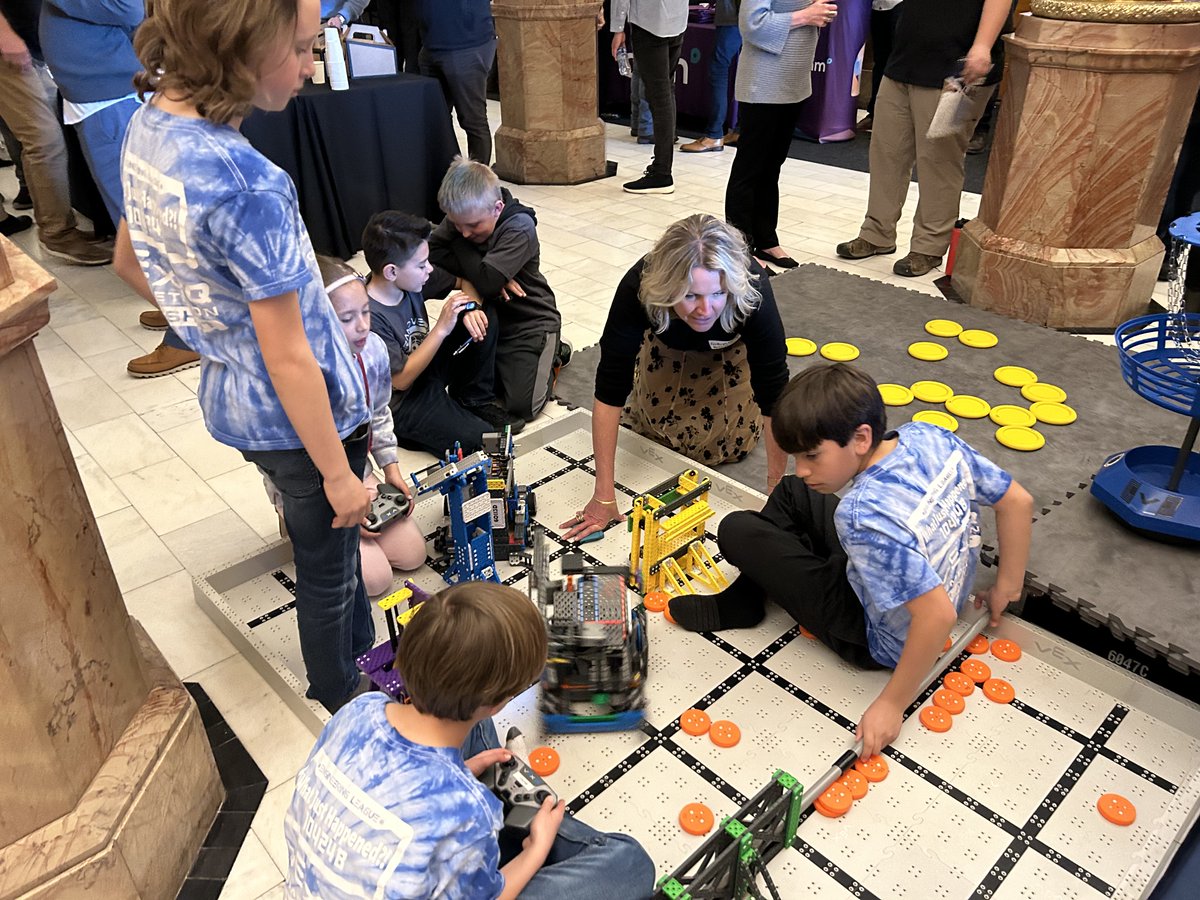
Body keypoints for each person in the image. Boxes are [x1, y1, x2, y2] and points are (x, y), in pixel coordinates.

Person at [114, 0, 375, 713]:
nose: (311, 67)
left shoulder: (147, 125)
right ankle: (342, 695)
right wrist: (339, 476)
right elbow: (289, 358)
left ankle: (361, 662)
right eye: (303, 48)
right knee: (328, 570)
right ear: (242, 48)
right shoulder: (248, 184)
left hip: (236, 404)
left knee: (327, 550)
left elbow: (129, 260)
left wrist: (214, 331)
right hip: (304, 424)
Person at [669, 363, 1033, 759]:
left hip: (876, 635)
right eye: (797, 456)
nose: (802, 469)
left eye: (812, 455)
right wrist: (1007, 587)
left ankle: (747, 598)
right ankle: (748, 597)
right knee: (792, 491)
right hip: (936, 588)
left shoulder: (862, 516)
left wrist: (891, 705)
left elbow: (937, 616)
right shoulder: (927, 436)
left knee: (737, 528)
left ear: (860, 438)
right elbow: (1017, 501)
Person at [283, 580, 657, 899]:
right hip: (464, 828)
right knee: (630, 863)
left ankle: (516, 803)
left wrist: (456, 773)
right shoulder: (467, 810)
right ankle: (532, 819)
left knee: (476, 734)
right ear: (500, 702)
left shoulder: (360, 708)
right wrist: (536, 849)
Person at [561, 214, 789, 542]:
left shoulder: (753, 288)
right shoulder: (639, 285)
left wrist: (775, 494)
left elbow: (774, 393)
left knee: (720, 445)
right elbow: (610, 385)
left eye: (717, 294)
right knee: (653, 430)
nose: (705, 310)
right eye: (691, 295)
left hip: (728, 351)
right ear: (667, 287)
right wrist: (603, 495)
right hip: (667, 342)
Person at [38, 0, 201, 377]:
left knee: (145, 225)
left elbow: (126, 7)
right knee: (140, 220)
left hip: (110, 96)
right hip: (100, 95)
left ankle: (188, 335)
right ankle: (180, 311)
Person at [836, 0, 1011, 277]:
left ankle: (929, 246)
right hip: (904, 59)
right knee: (887, 153)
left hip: (958, 69)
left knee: (939, 160)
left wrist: (982, 45)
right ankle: (876, 233)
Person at [362, 208, 518, 452]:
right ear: (391, 271)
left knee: (482, 312)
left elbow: (465, 281)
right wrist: (442, 327)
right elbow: (401, 381)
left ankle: (473, 398)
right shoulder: (368, 317)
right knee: (484, 442)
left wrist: (472, 309)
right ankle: (413, 431)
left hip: (426, 370)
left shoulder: (411, 280)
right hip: (402, 402)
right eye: (421, 265)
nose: (430, 270)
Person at [316, 255, 427, 595]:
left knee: (413, 554)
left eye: (366, 311)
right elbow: (284, 463)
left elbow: (379, 412)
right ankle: (300, 531)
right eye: (347, 318)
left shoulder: (373, 349)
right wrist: (340, 501)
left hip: (357, 470)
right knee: (377, 580)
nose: (363, 325)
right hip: (315, 486)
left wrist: (390, 469)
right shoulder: (306, 371)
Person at [428, 157, 565, 423]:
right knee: (465, 386)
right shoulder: (464, 213)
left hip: (529, 322)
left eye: (473, 226)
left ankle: (555, 353)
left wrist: (459, 249)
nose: (464, 233)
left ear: (497, 208)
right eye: (456, 226)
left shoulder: (520, 227)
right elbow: (432, 251)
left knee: (524, 407)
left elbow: (489, 282)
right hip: (492, 318)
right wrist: (482, 272)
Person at [724, 0, 836, 270]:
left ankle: (765, 239)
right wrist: (806, 15)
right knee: (749, 169)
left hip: (793, 82)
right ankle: (739, 250)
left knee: (771, 167)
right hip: (763, 82)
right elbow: (751, 23)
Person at [0, 3, 112, 263]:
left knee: (44, 133)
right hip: (10, 46)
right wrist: (5, 36)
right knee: (44, 140)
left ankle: (55, 223)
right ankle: (58, 233)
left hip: (27, 41)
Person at [610, 0, 687, 194]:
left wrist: (618, 28)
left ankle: (662, 172)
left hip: (649, 23)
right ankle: (662, 168)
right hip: (677, 21)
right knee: (666, 91)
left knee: (659, 96)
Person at [414, 0, 496, 163]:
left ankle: (477, 178)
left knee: (472, 119)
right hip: (431, 43)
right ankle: (449, 173)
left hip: (467, 43)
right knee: (436, 119)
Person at [680, 0, 741, 154]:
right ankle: (741, 130)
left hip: (734, 16)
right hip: (750, 17)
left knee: (718, 69)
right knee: (745, 70)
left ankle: (714, 135)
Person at [857, 0, 903, 134]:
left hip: (901, 6)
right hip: (877, 7)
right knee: (880, 61)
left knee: (897, 62)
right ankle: (874, 114)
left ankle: (896, 119)